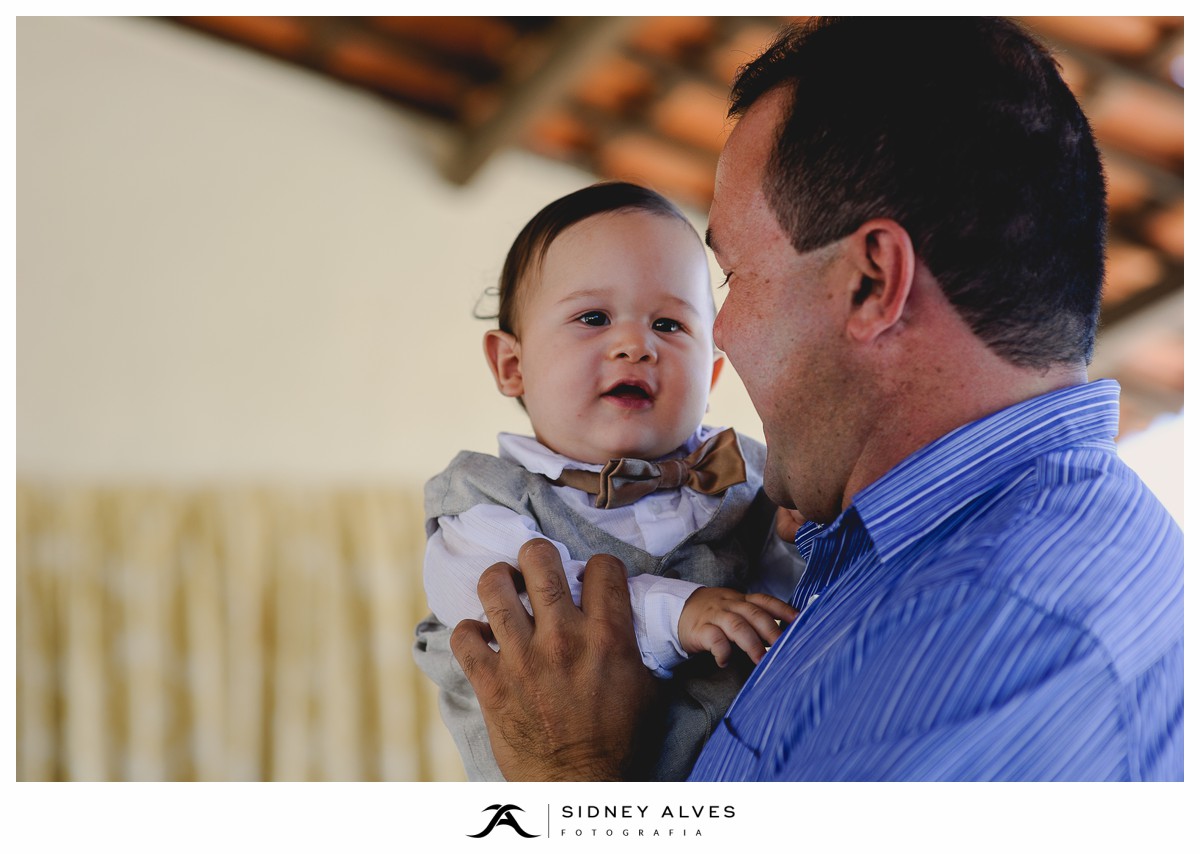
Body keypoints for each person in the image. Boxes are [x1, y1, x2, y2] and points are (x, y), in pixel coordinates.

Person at [448, 17, 1184, 781]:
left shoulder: (1001, 634)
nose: (721, 335)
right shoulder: (903, 560)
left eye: (733, 279)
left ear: (870, 283)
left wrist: (571, 777)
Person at [413, 181, 805, 781]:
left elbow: (780, 613)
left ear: (713, 374)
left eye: (671, 325)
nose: (634, 345)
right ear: (512, 365)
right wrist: (675, 613)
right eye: (593, 318)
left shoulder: (751, 477)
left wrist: (792, 540)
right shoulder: (482, 500)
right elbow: (506, 608)